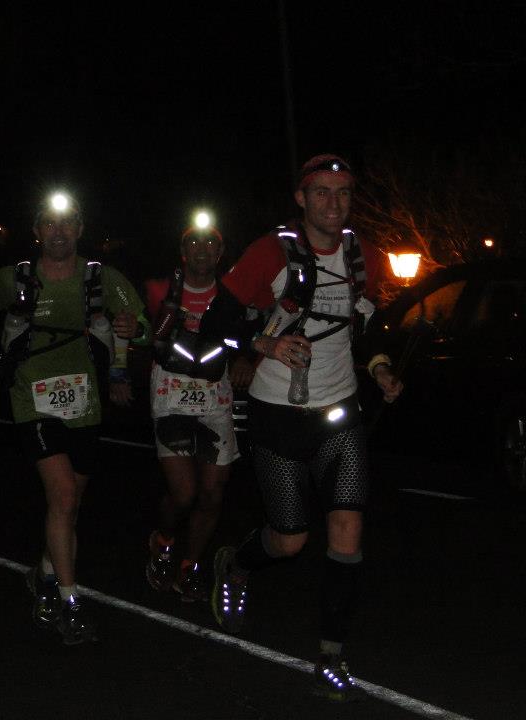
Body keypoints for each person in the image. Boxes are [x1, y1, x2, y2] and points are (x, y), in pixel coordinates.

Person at [209, 155, 403, 701]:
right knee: (290, 539)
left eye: (343, 193)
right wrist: (265, 344)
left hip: (339, 412)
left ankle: (331, 655)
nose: (333, 203)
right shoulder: (271, 252)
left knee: (347, 528)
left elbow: (368, 327)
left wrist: (380, 367)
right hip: (276, 411)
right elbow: (217, 323)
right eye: (322, 192)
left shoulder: (365, 256)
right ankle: (237, 562)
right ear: (301, 197)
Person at [0, 191, 150, 645]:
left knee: (69, 505)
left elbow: (143, 324)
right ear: (36, 231)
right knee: (64, 495)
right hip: (30, 398)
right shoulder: (15, 279)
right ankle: (67, 601)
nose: (58, 231)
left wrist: (135, 329)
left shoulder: (101, 278)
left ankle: (46, 570)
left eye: (67, 222)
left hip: (84, 403)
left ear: (80, 229)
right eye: (49, 223)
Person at [143, 220, 255, 602]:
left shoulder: (234, 295)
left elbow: (250, 335)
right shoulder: (158, 289)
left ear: (220, 253)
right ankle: (163, 541)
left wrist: (245, 359)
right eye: (194, 243)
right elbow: (139, 329)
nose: (202, 250)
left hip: (215, 394)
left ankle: (189, 566)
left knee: (212, 494)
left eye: (211, 243)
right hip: (170, 392)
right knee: (184, 493)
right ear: (182, 251)